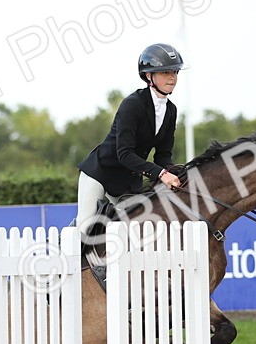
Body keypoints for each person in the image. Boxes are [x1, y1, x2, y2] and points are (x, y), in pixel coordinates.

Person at [75, 43, 186, 237]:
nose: (172, 77)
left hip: (128, 182)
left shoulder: (171, 110)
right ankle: (68, 250)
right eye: (165, 72)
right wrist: (161, 174)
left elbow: (163, 155)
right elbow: (125, 153)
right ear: (149, 76)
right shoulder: (132, 104)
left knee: (136, 231)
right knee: (85, 228)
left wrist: (175, 173)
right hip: (101, 172)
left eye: (175, 72)